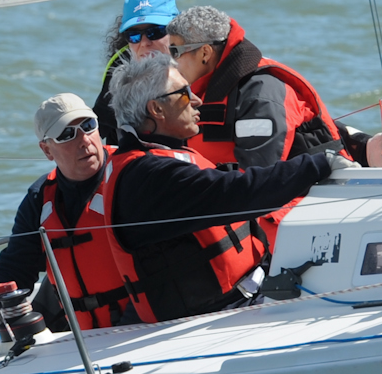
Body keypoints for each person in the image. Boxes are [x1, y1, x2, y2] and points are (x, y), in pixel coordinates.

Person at [101, 52, 357, 323]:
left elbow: (229, 180)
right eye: (184, 94)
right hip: (207, 320)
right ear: (157, 109)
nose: (197, 100)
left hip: (242, 296)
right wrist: (317, 164)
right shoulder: (149, 177)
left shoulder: (156, 159)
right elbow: (239, 192)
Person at [0, 93, 132, 331]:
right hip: (83, 334)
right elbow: (15, 274)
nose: (84, 140)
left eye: (88, 126)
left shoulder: (133, 175)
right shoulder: (40, 198)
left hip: (143, 324)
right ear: (47, 150)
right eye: (67, 134)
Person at [167, 5, 382, 169]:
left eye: (175, 51)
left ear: (205, 53)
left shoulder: (260, 95)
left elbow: (260, 176)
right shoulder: (205, 89)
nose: (170, 60)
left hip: (286, 208)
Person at [92, 0, 177, 143]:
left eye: (155, 32)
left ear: (176, 31)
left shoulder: (196, 63)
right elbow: (96, 128)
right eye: (134, 35)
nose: (144, 43)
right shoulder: (119, 70)